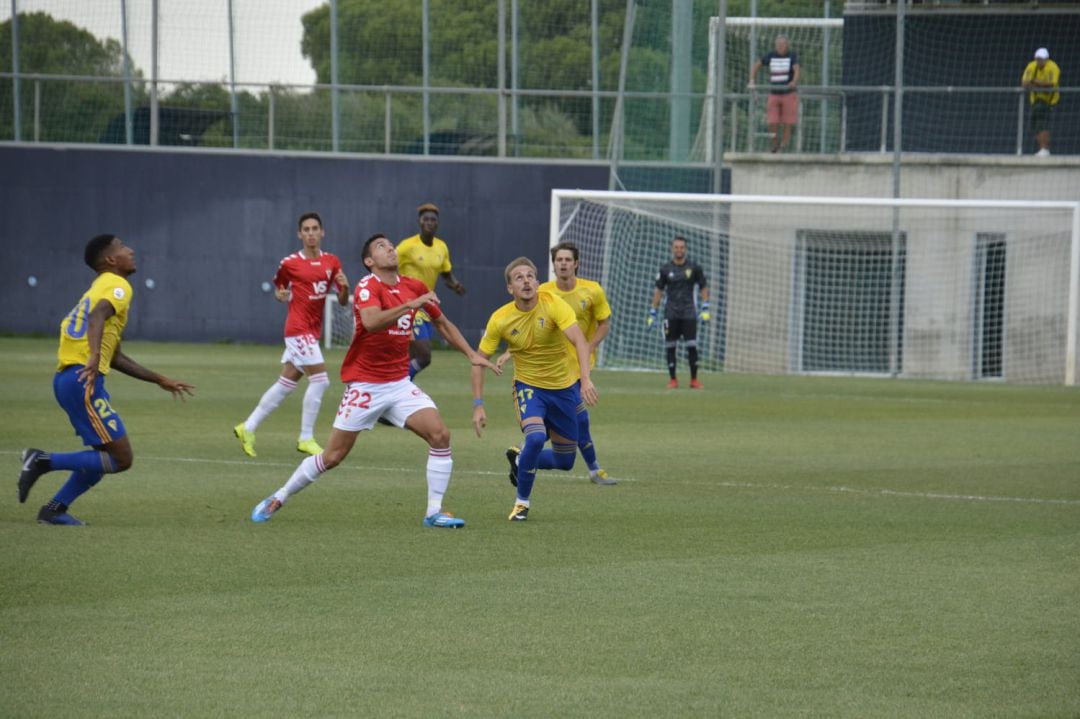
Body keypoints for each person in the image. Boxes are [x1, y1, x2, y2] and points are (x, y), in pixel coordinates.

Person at [250, 233, 498, 528]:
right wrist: (410, 306)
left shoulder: (413, 286)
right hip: (365, 385)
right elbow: (371, 322)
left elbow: (442, 322)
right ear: (369, 261)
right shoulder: (368, 286)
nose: (390, 248)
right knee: (332, 456)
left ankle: (434, 512)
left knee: (441, 435)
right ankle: (279, 496)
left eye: (391, 244)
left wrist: (470, 354)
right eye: (382, 246)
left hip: (399, 383)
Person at [17, 234, 195, 525]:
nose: (131, 250)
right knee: (121, 459)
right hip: (82, 379)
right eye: (123, 247)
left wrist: (160, 379)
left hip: (73, 380)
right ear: (111, 259)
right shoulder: (118, 285)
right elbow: (97, 316)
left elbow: (116, 357)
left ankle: (54, 510)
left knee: (102, 455)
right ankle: (41, 460)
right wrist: (92, 356)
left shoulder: (98, 287)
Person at [471, 257, 599, 522]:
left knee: (566, 462)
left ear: (538, 282)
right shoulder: (500, 318)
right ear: (510, 288)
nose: (526, 281)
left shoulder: (553, 305)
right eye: (519, 277)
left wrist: (585, 380)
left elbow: (579, 340)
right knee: (537, 437)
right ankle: (521, 503)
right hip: (529, 388)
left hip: (564, 389)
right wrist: (478, 405)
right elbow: (478, 361)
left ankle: (521, 460)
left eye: (530, 276)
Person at [496, 242, 616, 485]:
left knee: (574, 421)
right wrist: (511, 351)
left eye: (567, 260)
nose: (562, 264)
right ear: (553, 265)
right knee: (573, 421)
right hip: (555, 370)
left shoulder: (592, 291)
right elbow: (525, 323)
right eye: (558, 260)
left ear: (576, 263)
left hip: (578, 366)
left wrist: (590, 346)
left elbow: (604, 323)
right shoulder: (542, 291)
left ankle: (525, 455)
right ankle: (592, 469)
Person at [234, 212, 348, 458]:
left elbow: (342, 300)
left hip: (311, 332)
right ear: (299, 234)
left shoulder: (332, 262)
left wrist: (346, 288)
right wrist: (280, 295)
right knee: (321, 380)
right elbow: (279, 288)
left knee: (285, 384)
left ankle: (248, 427)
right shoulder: (289, 263)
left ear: (322, 232)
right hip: (297, 329)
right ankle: (306, 438)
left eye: (314, 228)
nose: (310, 233)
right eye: (305, 229)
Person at [396, 203, 466, 380]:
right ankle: (400, 386)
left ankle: (397, 388)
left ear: (437, 223)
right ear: (419, 222)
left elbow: (446, 274)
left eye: (433, 220)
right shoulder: (407, 246)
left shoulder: (441, 247)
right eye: (425, 219)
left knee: (411, 357)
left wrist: (455, 285)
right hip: (409, 307)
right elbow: (387, 264)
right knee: (424, 355)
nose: (429, 222)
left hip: (427, 307)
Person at [648, 236, 709, 390]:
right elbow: (658, 291)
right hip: (671, 313)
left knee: (692, 346)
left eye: (682, 247)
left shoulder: (694, 267)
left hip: (689, 313)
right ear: (672, 249)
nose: (679, 250)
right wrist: (652, 312)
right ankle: (673, 379)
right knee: (670, 346)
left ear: (685, 249)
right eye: (676, 247)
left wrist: (706, 307)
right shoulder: (665, 269)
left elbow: (703, 287)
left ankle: (694, 380)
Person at [748, 34, 800, 153]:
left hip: (789, 93)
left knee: (788, 122)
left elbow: (797, 70)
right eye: (778, 45)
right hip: (774, 94)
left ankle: (783, 145)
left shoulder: (792, 56)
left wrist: (794, 81)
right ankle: (774, 144)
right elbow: (757, 65)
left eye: (782, 45)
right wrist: (752, 80)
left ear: (787, 45)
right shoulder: (770, 55)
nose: (780, 47)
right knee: (773, 121)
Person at [1021, 47, 1060, 157]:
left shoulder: (1053, 67)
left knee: (1043, 124)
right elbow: (1024, 84)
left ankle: (1045, 149)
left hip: (1048, 101)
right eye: (1038, 59)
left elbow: (1051, 85)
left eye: (1042, 59)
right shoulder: (1031, 66)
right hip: (1035, 101)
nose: (1039, 62)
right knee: (1035, 126)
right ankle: (1042, 148)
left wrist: (1035, 83)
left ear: (1047, 59)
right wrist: (1039, 85)